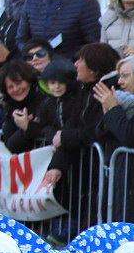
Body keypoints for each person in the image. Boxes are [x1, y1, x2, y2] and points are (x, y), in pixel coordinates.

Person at [41, 42, 121, 194]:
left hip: (106, 169)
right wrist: (57, 166)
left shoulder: (108, 90)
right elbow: (72, 125)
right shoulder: (85, 90)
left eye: (81, 60)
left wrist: (65, 137)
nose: (76, 64)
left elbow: (98, 129)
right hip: (88, 173)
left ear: (94, 69)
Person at [0, 60, 48, 154]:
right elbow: (10, 145)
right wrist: (24, 128)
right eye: (10, 87)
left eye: (19, 83)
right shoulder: (10, 106)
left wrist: (28, 127)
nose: (16, 89)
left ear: (28, 79)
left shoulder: (45, 99)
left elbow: (50, 133)